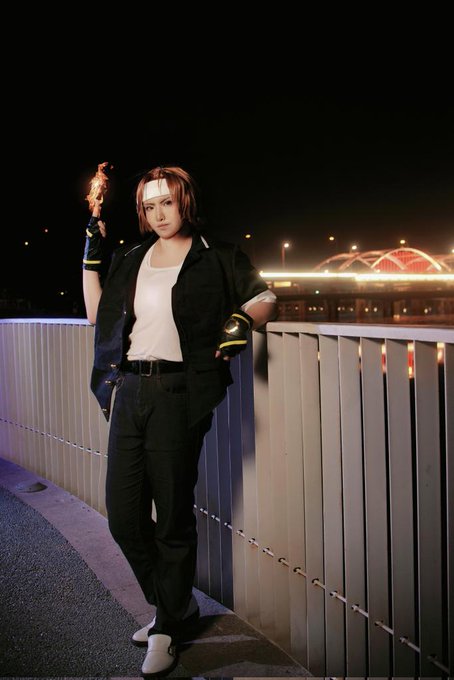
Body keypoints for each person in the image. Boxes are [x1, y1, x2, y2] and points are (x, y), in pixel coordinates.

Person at [82, 165, 277, 677]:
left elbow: (264, 298)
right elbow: (98, 316)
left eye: (166, 202)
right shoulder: (132, 257)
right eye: (149, 206)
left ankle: (167, 627)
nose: (158, 214)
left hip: (179, 394)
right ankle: (176, 606)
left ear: (185, 201)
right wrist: (91, 256)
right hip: (129, 390)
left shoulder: (218, 255)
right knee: (124, 516)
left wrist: (241, 320)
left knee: (171, 516)